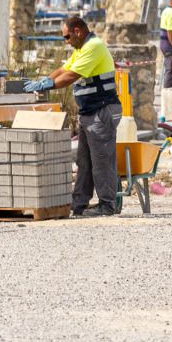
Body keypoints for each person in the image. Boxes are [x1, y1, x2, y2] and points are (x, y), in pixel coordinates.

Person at [25, 16, 121, 216]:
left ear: (77, 31)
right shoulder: (81, 49)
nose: (66, 41)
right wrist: (44, 80)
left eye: (67, 37)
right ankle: (79, 204)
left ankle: (107, 205)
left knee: (101, 160)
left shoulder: (93, 47)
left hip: (102, 111)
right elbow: (63, 69)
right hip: (90, 112)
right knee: (84, 161)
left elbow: (71, 76)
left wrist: (49, 85)